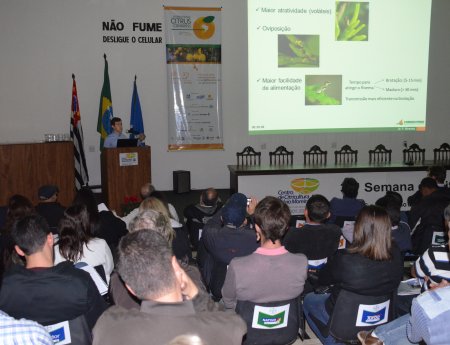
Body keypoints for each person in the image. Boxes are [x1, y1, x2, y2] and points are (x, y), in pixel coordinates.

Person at [92, 230, 247, 345]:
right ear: (175, 265)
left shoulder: (108, 328)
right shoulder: (224, 330)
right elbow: (235, 323)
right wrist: (195, 294)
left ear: (130, 288)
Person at [303, 205, 404, 345]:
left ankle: (333, 339)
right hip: (382, 318)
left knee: (310, 299)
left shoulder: (345, 258)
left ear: (359, 227)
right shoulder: (397, 254)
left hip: (343, 322)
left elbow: (322, 281)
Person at [358, 203, 450, 345]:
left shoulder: (435, 253)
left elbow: (414, 336)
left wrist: (442, 297)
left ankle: (377, 336)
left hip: (430, 314)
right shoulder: (402, 233)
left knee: (417, 311)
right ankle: (377, 336)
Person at [0, 214, 106, 329]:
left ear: (19, 250)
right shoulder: (80, 281)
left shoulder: (6, 287)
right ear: (50, 239)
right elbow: (102, 324)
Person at [222, 196, 307, 309]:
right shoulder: (301, 262)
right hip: (288, 324)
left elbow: (228, 300)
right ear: (286, 227)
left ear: (256, 228)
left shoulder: (238, 266)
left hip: (246, 324)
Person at [197, 193, 259, 300]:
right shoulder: (255, 239)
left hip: (219, 287)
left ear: (222, 218)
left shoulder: (210, 235)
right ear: (245, 220)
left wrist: (229, 206)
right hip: (247, 288)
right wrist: (254, 215)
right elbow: (266, 233)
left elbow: (212, 222)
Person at [283, 194, 341, 291]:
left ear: (305, 212)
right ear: (328, 215)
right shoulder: (335, 231)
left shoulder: (292, 234)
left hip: (298, 281)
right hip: (325, 278)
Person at [53, 204, 114, 283]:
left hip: (68, 292)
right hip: (99, 292)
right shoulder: (101, 244)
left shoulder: (55, 249)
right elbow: (109, 269)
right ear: (86, 224)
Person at [73, 186, 127, 262]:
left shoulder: (73, 221)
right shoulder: (106, 217)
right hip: (110, 261)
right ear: (94, 202)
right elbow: (123, 228)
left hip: (81, 260)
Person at [409, 177, 450, 255]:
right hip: (447, 245)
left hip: (426, 246)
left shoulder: (421, 205)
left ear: (425, 189)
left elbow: (412, 228)